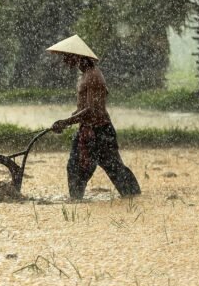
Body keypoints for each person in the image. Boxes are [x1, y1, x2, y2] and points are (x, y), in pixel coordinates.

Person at [46, 35, 141, 199]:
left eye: (66, 56)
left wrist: (66, 122)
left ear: (76, 56)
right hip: (89, 130)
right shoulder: (84, 76)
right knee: (79, 168)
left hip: (99, 131)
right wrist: (69, 120)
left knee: (112, 167)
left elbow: (91, 110)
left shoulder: (93, 76)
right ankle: (77, 201)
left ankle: (133, 197)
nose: (64, 61)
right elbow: (83, 108)